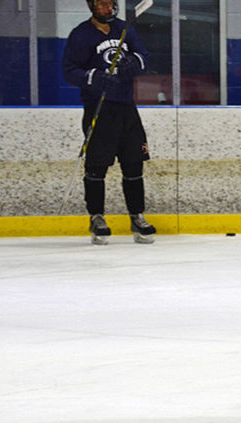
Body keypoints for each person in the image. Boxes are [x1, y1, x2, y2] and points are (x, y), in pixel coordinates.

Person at [63, 0, 156, 245]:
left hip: (126, 108)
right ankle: (97, 217)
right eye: (102, 3)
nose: (107, 8)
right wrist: (94, 78)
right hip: (99, 108)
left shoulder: (125, 29)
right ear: (91, 6)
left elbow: (144, 57)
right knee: (96, 166)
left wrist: (132, 64)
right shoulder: (81, 35)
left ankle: (136, 216)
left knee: (134, 164)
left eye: (110, 3)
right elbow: (69, 70)